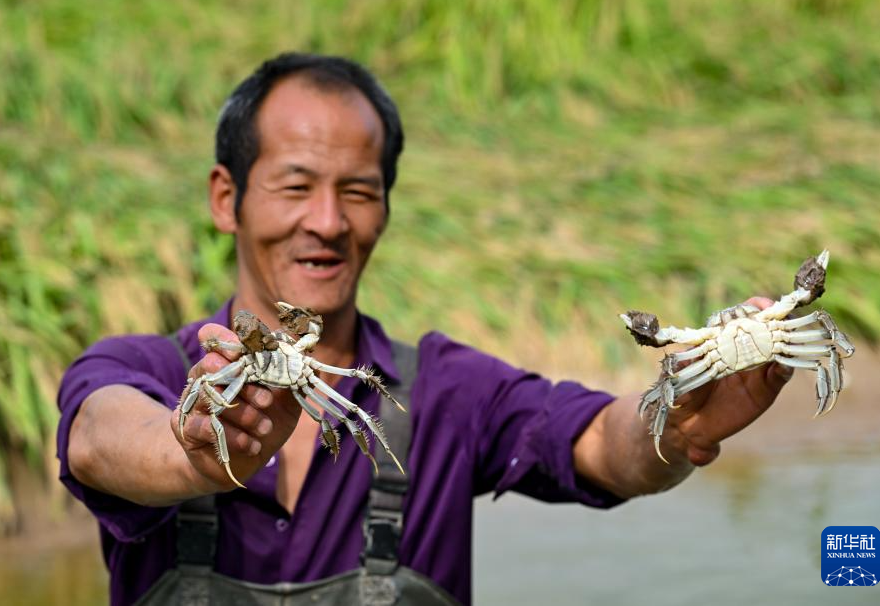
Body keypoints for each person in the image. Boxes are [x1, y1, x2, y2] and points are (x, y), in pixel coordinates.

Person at [58, 53, 793, 605]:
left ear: (385, 207)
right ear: (228, 199)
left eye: (358, 191)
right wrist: (193, 455)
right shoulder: (151, 368)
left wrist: (674, 418)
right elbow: (98, 436)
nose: (327, 222)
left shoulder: (444, 392)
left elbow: (603, 443)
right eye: (294, 185)